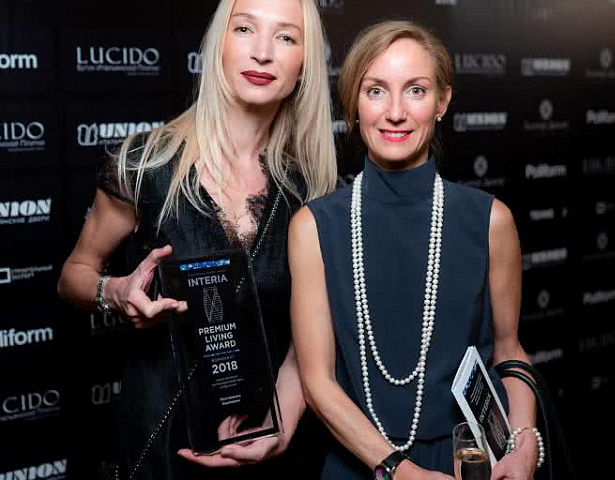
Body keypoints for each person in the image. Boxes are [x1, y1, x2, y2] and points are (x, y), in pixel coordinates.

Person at [57, 0, 336, 478]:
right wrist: (115, 291)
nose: (263, 52)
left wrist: (281, 425)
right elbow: (73, 276)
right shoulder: (144, 164)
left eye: (286, 37)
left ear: (304, 65)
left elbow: (309, 338)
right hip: (160, 446)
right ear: (218, 44)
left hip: (270, 448)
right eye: (244, 29)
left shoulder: (312, 191)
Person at [289, 20, 540, 480]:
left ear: (442, 101)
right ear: (354, 103)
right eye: (376, 91)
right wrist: (401, 471)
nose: (395, 112)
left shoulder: (491, 221)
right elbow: (317, 383)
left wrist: (524, 442)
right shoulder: (314, 227)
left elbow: (509, 352)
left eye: (416, 91)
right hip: (360, 465)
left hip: (471, 464)